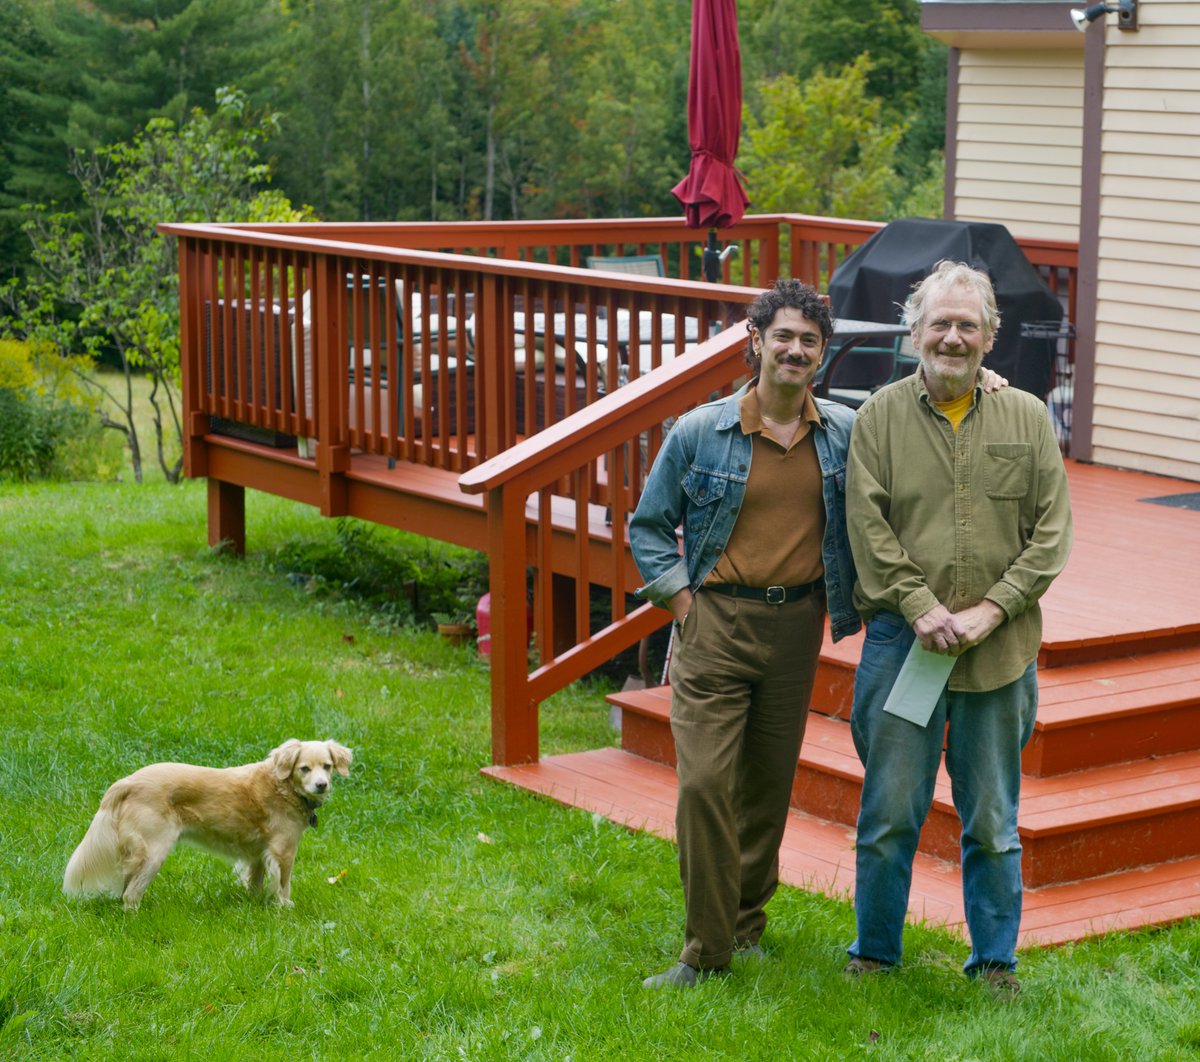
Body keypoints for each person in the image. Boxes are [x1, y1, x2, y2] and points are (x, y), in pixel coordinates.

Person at [843, 259, 1073, 996]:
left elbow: (1052, 533)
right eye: (938, 323)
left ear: (990, 338)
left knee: (993, 822)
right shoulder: (878, 416)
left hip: (998, 652)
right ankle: (875, 953)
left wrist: (992, 607)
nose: (952, 336)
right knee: (888, 813)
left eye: (967, 325)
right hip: (903, 647)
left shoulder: (1027, 416)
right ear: (914, 334)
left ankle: (995, 963)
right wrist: (920, 606)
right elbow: (867, 524)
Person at [629, 278, 859, 989]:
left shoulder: (845, 432)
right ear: (755, 341)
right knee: (703, 784)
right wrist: (684, 603)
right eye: (782, 335)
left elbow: (921, 410)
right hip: (716, 623)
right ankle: (704, 949)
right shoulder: (703, 431)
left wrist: (993, 378)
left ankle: (747, 925)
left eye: (809, 340)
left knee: (765, 787)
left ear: (823, 354)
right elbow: (647, 527)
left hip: (796, 627)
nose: (794, 350)